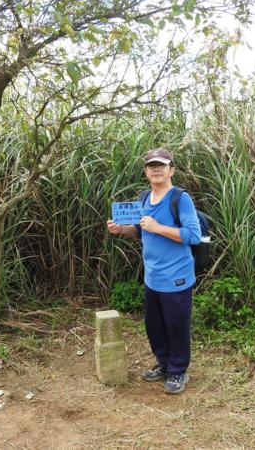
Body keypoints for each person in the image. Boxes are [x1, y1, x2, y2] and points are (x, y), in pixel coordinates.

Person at [106, 148, 201, 394]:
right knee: (155, 326)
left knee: (176, 326)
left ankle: (178, 370)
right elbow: (140, 230)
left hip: (177, 277)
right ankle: (164, 363)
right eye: (151, 166)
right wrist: (122, 230)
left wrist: (158, 227)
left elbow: (193, 235)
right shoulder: (144, 197)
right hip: (152, 277)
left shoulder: (180, 198)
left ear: (172, 170)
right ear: (146, 172)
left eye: (161, 165)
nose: (156, 169)